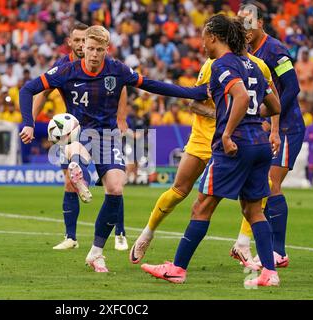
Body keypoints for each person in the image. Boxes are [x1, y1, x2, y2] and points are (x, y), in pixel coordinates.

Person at [19, 25, 208, 273]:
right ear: (82, 47)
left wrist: (193, 92)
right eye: (90, 48)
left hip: (107, 138)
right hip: (79, 132)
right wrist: (28, 123)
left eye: (100, 49)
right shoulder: (66, 70)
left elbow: (152, 85)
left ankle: (96, 253)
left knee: (116, 188)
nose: (94, 54)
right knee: (76, 149)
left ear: (107, 49)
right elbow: (28, 89)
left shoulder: (117, 69)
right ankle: (79, 173)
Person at [141, 14, 281, 287]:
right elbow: (274, 105)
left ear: (214, 37)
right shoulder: (252, 65)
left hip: (235, 147)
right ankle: (269, 272)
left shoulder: (221, 64)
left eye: (204, 36)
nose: (201, 42)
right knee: (254, 211)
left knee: (201, 206)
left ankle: (177, 269)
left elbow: (240, 97)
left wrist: (228, 133)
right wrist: (141, 82)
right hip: (259, 145)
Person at [31, 22, 130, 251]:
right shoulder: (64, 66)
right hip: (74, 131)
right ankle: (71, 237)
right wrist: (31, 120)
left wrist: (121, 118)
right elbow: (43, 91)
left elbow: (121, 86)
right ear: (71, 42)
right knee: (70, 181)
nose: (81, 44)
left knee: (112, 182)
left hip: (104, 131)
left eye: (83, 40)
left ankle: (120, 232)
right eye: (77, 40)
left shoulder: (105, 65)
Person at [233, 3, 306, 268]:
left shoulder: (275, 50)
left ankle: (278, 251)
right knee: (261, 185)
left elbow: (293, 86)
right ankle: (251, 244)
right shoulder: (247, 52)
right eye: (241, 22)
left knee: (270, 184)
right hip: (266, 128)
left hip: (287, 128)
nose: (245, 27)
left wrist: (268, 114)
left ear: (261, 23)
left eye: (249, 22)